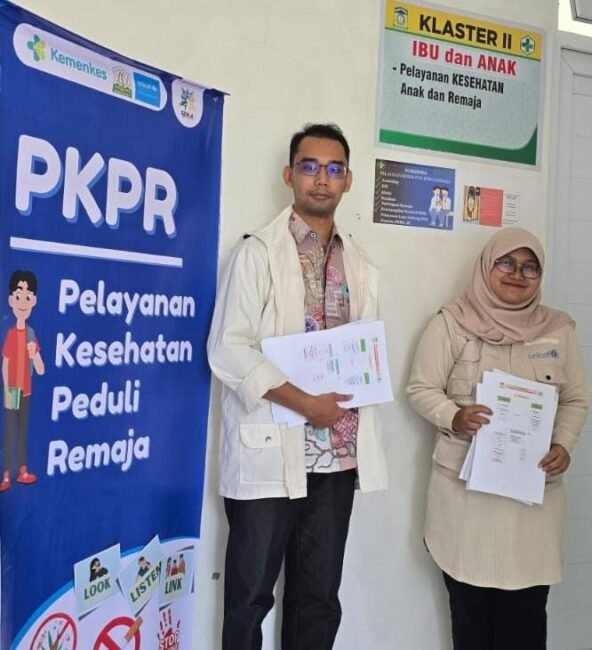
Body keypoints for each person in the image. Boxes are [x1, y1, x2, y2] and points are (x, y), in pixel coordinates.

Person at [207, 123, 388, 650]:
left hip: (335, 460)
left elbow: (366, 355)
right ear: (289, 175)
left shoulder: (363, 267)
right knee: (248, 600)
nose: (321, 179)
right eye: (309, 166)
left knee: (318, 600)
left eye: (334, 169)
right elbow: (228, 349)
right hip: (270, 453)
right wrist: (303, 402)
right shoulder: (257, 255)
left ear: (348, 181)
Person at [407, 227, 590, 650]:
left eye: (530, 267)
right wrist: (455, 416)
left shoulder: (558, 330)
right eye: (506, 263)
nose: (517, 274)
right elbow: (420, 389)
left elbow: (577, 397)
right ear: (487, 266)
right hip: (465, 502)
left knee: (525, 621)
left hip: (532, 506)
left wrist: (563, 444)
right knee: (471, 621)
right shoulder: (452, 323)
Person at [1, 270, 45, 492]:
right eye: (19, 296)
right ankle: (7, 474)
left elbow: (40, 369)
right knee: (9, 432)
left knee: (22, 432)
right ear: (11, 299)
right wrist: (7, 391)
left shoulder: (31, 335)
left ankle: (22, 471)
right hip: (13, 391)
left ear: (34, 300)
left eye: (28, 297)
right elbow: (5, 364)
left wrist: (34, 354)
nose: (23, 301)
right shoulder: (10, 334)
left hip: (26, 392)